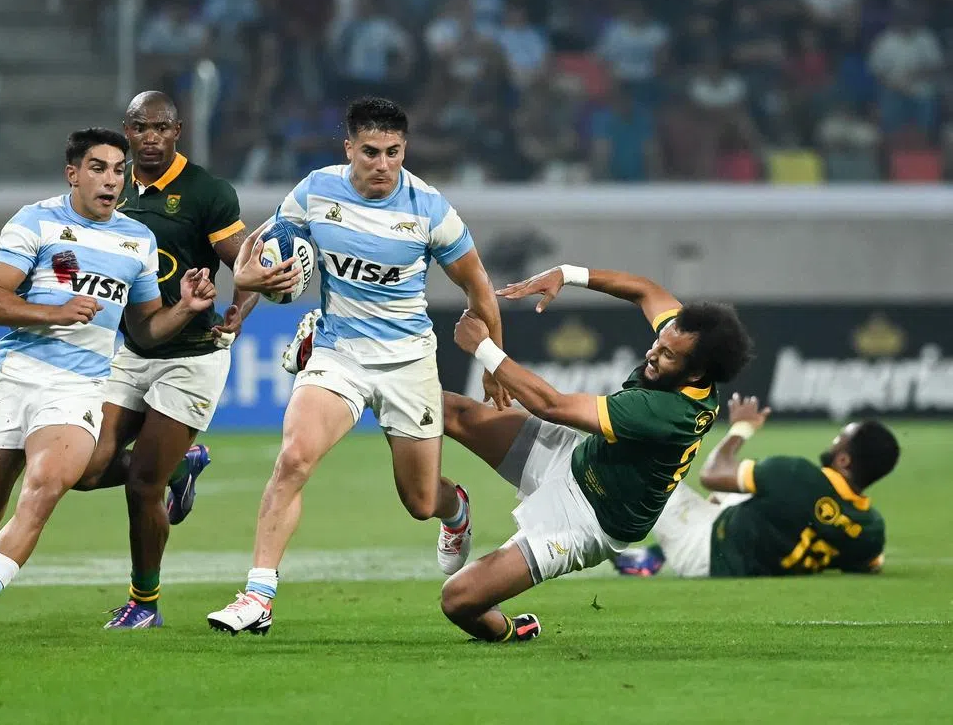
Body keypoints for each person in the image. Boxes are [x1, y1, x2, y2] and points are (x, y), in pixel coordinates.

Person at [206, 96, 510, 635]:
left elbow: (476, 286)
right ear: (349, 148)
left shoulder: (429, 208)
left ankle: (454, 508)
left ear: (404, 150)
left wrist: (494, 363)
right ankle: (257, 597)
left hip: (408, 363)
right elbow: (261, 255)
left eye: (393, 152)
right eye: (370, 151)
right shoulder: (315, 190)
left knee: (419, 501)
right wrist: (241, 303)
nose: (382, 164)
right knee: (295, 459)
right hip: (338, 353)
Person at [0, 128, 218, 643]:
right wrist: (54, 313)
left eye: (118, 170)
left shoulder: (137, 240)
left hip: (80, 388)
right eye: (98, 168)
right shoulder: (35, 221)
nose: (111, 179)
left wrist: (185, 309)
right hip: (13, 379)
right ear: (73, 174)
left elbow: (146, 328)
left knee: (44, 489)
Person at [439, 262, 753, 642]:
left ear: (696, 375)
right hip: (578, 457)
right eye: (660, 342)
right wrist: (567, 273)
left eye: (668, 355)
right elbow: (644, 289)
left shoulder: (669, 414)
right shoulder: (685, 343)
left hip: (588, 520)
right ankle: (450, 509)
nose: (653, 354)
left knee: (458, 600)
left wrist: (483, 348)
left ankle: (511, 630)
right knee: (444, 410)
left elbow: (552, 405)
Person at [66, 91, 258, 630]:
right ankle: (183, 465)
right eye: (140, 127)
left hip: (192, 356)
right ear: (127, 131)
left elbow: (246, 262)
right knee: (83, 470)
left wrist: (238, 310)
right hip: (131, 350)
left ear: (178, 131)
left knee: (140, 486)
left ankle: (144, 603)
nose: (151, 137)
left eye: (162, 127)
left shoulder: (206, 192)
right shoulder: (112, 190)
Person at [613, 396, 898, 579]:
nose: (833, 441)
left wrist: (741, 429)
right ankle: (655, 553)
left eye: (840, 439)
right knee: (748, 488)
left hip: (703, 551)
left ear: (844, 460)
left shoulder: (798, 475)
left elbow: (711, 474)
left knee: (637, 463)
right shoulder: (871, 528)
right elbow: (870, 563)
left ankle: (589, 540)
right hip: (750, 550)